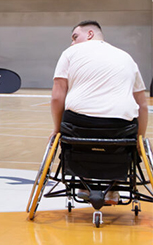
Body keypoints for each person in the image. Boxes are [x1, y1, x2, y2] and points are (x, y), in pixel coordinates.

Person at [51, 20, 148, 204]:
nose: (72, 43)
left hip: (79, 126)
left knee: (69, 129)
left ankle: (82, 183)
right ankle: (114, 189)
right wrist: (139, 139)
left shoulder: (70, 53)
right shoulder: (126, 57)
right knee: (126, 140)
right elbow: (142, 105)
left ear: (89, 35)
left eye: (75, 37)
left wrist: (56, 129)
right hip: (120, 128)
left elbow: (57, 96)